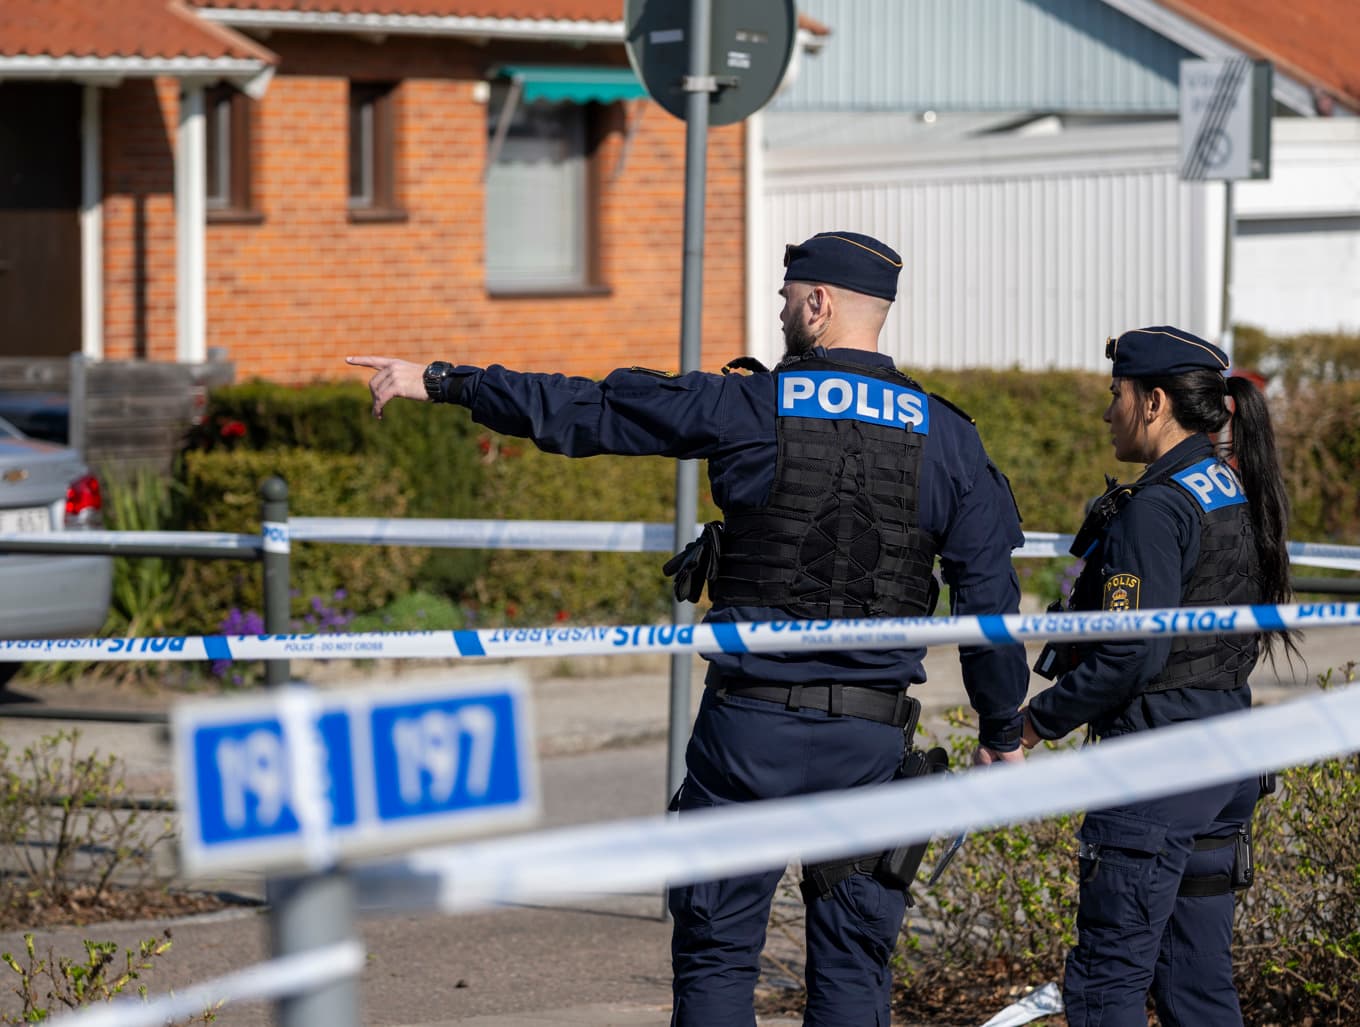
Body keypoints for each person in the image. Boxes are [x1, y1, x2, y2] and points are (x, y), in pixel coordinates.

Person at [348, 230, 1030, 1027]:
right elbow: (989, 603)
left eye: (786, 297)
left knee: (716, 954)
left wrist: (445, 381)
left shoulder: (748, 403)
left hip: (751, 730)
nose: (780, 310)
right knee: (852, 964)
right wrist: (1003, 729)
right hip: (869, 744)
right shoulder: (949, 436)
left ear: (819, 303)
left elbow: (592, 409)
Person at [1021, 326, 1296, 1027]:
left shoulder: (1156, 507)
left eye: (1116, 394)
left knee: (1106, 986)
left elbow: (1128, 655)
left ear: (1154, 402)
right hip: (1222, 764)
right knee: (1197, 991)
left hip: (1156, 771)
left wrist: (1036, 720)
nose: (1108, 410)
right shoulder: (1223, 485)